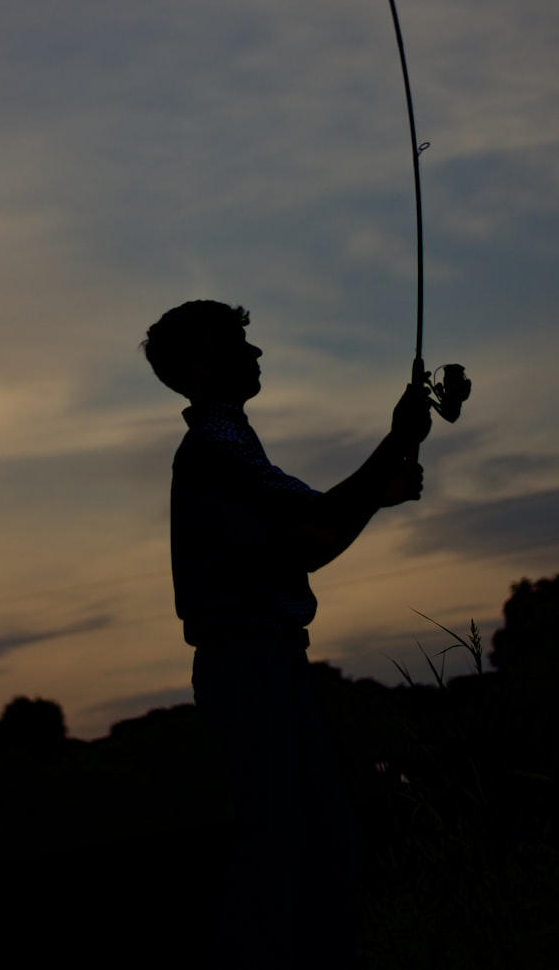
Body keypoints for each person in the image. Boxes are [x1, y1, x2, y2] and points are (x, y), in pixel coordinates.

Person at [142, 300, 432, 969]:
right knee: (285, 850)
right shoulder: (216, 447)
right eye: (237, 342)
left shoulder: (230, 443)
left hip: (265, 665)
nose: (256, 352)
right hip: (250, 669)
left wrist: (379, 486)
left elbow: (310, 544)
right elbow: (320, 518)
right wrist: (395, 440)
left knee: (322, 844)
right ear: (200, 364)